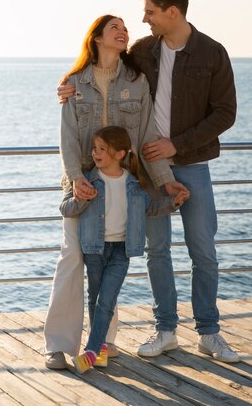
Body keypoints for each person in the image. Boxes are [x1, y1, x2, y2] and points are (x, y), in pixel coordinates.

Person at [57, 0, 239, 363]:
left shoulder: (212, 53)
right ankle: (166, 329)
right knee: (157, 251)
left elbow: (226, 113)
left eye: (150, 12)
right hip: (144, 169)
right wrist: (67, 87)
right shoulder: (142, 52)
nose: (144, 20)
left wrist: (178, 144)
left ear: (172, 12)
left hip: (191, 164)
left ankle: (209, 333)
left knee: (203, 251)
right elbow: (105, 74)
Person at [44, 14, 187, 370]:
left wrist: (164, 179)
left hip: (120, 187)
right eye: (115, 28)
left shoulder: (137, 82)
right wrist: (76, 177)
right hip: (83, 189)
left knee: (107, 259)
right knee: (73, 258)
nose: (124, 32)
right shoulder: (75, 83)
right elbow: (67, 138)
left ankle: (104, 341)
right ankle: (59, 344)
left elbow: (146, 136)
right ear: (96, 38)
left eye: (126, 28)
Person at [61, 126, 189, 373]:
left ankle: (90, 350)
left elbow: (149, 209)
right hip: (94, 249)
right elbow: (65, 209)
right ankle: (99, 352)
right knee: (95, 298)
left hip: (122, 250)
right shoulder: (87, 179)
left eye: (102, 149)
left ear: (120, 154)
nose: (95, 153)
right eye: (94, 148)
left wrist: (172, 203)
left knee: (106, 300)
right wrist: (80, 199)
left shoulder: (134, 183)